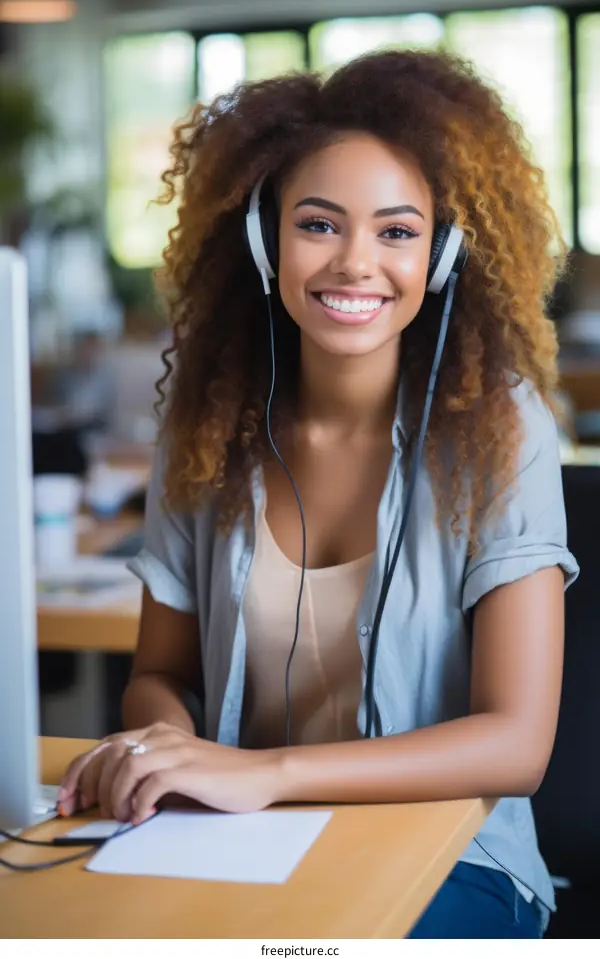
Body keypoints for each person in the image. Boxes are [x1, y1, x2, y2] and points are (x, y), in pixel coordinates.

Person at [57, 50, 578, 938]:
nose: (355, 263)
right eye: (319, 224)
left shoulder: (500, 427)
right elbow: (158, 674)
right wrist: (164, 749)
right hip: (233, 842)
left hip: (451, 859)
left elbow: (516, 744)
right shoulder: (207, 421)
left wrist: (265, 772)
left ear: (443, 253)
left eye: (398, 231)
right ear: (265, 238)